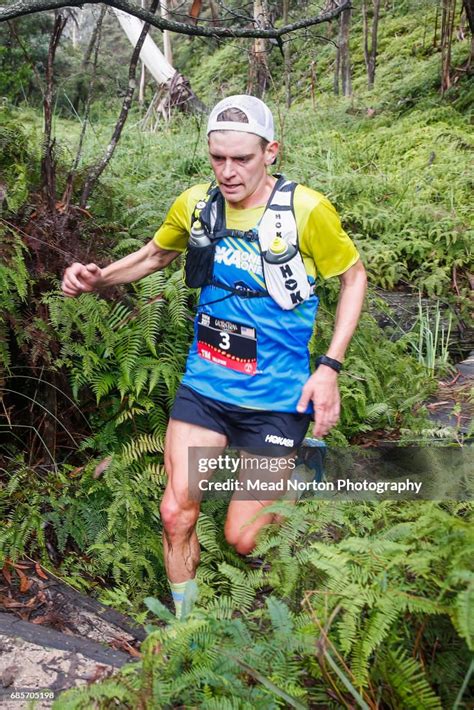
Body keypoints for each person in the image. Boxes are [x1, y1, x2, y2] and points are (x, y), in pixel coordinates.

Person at [62, 95, 367, 619]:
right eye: (217, 158)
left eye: (241, 159)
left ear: (271, 151)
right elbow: (157, 254)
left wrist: (329, 368)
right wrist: (97, 279)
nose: (227, 172)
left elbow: (353, 277)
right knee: (175, 511)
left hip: (276, 395)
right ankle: (185, 629)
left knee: (244, 539)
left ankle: (299, 462)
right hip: (206, 384)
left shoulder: (305, 210)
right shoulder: (196, 204)